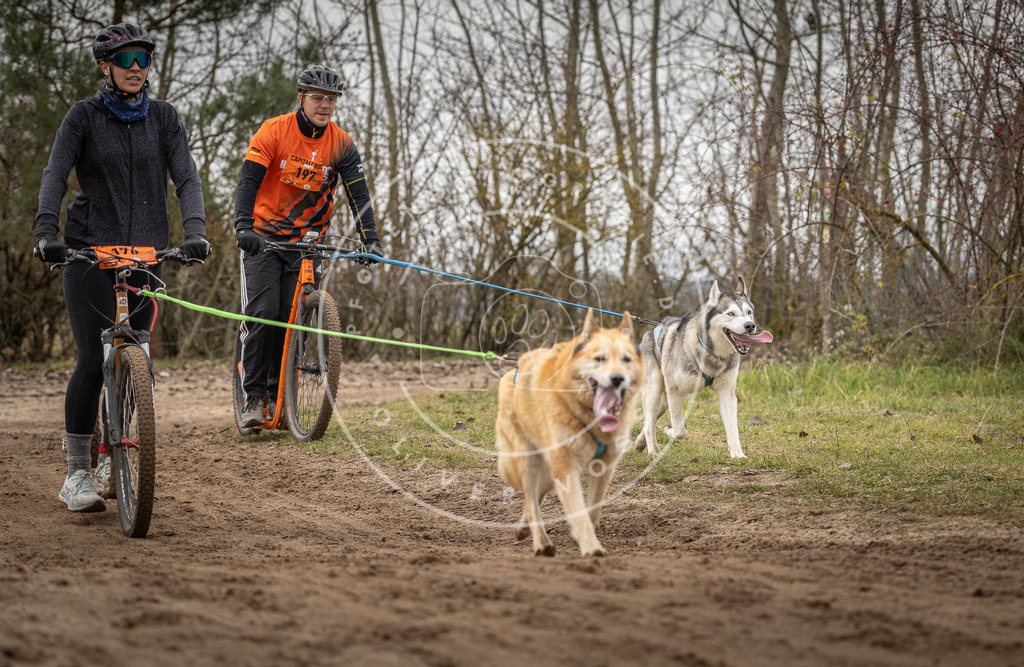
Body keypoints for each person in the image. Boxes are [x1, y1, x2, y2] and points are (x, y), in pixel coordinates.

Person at [35, 23, 210, 512]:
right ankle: (76, 472)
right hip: (90, 249)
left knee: (138, 355)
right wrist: (46, 234)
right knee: (94, 358)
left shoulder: (165, 118)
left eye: (144, 59)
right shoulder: (83, 117)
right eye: (126, 59)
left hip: (149, 254)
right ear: (105, 65)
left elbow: (186, 177)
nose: (137, 68)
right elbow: (55, 175)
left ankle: (116, 458)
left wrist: (195, 232)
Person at [234, 65, 381, 427]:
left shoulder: (341, 143)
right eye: (318, 98)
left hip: (308, 244)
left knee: (292, 318)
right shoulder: (274, 131)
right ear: (301, 97)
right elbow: (248, 182)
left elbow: (357, 195)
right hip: (264, 239)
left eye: (331, 100)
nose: (325, 105)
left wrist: (371, 240)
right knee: (265, 313)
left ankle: (282, 396)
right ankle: (254, 396)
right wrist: (242, 227)